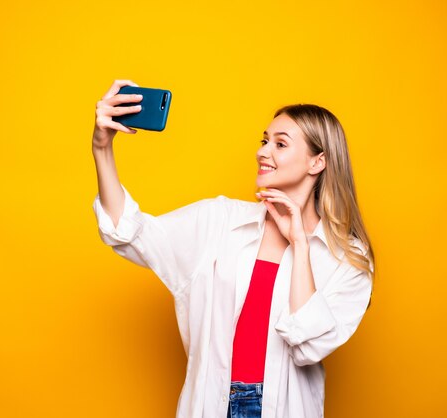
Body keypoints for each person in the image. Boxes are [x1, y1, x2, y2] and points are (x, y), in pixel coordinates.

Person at [91, 79, 375, 418]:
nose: (262, 151)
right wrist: (101, 148)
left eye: (280, 144)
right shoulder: (220, 220)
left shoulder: (347, 257)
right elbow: (129, 233)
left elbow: (308, 346)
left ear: (317, 162)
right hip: (210, 404)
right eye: (264, 140)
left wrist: (299, 243)